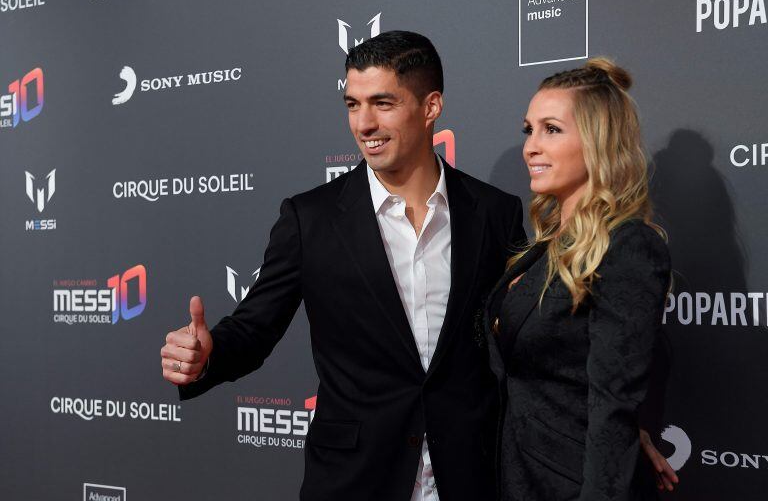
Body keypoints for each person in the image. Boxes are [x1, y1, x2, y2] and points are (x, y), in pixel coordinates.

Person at [161, 32, 675, 500]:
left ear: (431, 106)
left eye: (383, 103)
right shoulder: (310, 218)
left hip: (475, 475)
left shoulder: (494, 213)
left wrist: (617, 433)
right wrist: (209, 355)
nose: (364, 123)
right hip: (357, 479)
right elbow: (255, 327)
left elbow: (543, 340)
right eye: (353, 104)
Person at [485, 58, 674, 500]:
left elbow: (612, 402)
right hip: (514, 476)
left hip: (571, 484)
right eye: (528, 130)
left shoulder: (628, 247)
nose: (531, 146)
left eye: (551, 129)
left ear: (597, 141)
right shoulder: (542, 247)